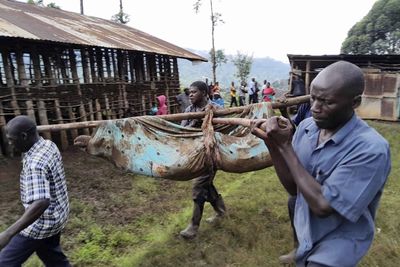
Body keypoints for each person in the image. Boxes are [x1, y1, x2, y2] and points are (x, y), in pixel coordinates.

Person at [251, 61, 391, 267]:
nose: (315, 108)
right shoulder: (308, 128)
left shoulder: (371, 149)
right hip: (306, 232)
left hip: (338, 243)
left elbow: (323, 205)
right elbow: (294, 188)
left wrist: (286, 147)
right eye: (313, 98)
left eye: (327, 102)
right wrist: (272, 144)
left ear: (355, 102)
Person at [0, 116, 70, 266]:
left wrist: (8, 233)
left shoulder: (35, 164)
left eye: (12, 140)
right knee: (53, 258)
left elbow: (41, 202)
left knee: (4, 262)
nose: (10, 144)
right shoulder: (48, 145)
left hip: (41, 224)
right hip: (58, 217)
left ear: (24, 136)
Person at [180, 81, 226, 239]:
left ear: (205, 93)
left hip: (211, 154)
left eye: (194, 92)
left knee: (199, 186)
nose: (190, 95)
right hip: (195, 154)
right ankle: (221, 211)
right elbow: (183, 131)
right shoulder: (189, 110)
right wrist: (195, 123)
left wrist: (209, 123)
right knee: (207, 184)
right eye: (189, 92)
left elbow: (225, 129)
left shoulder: (215, 109)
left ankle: (193, 226)